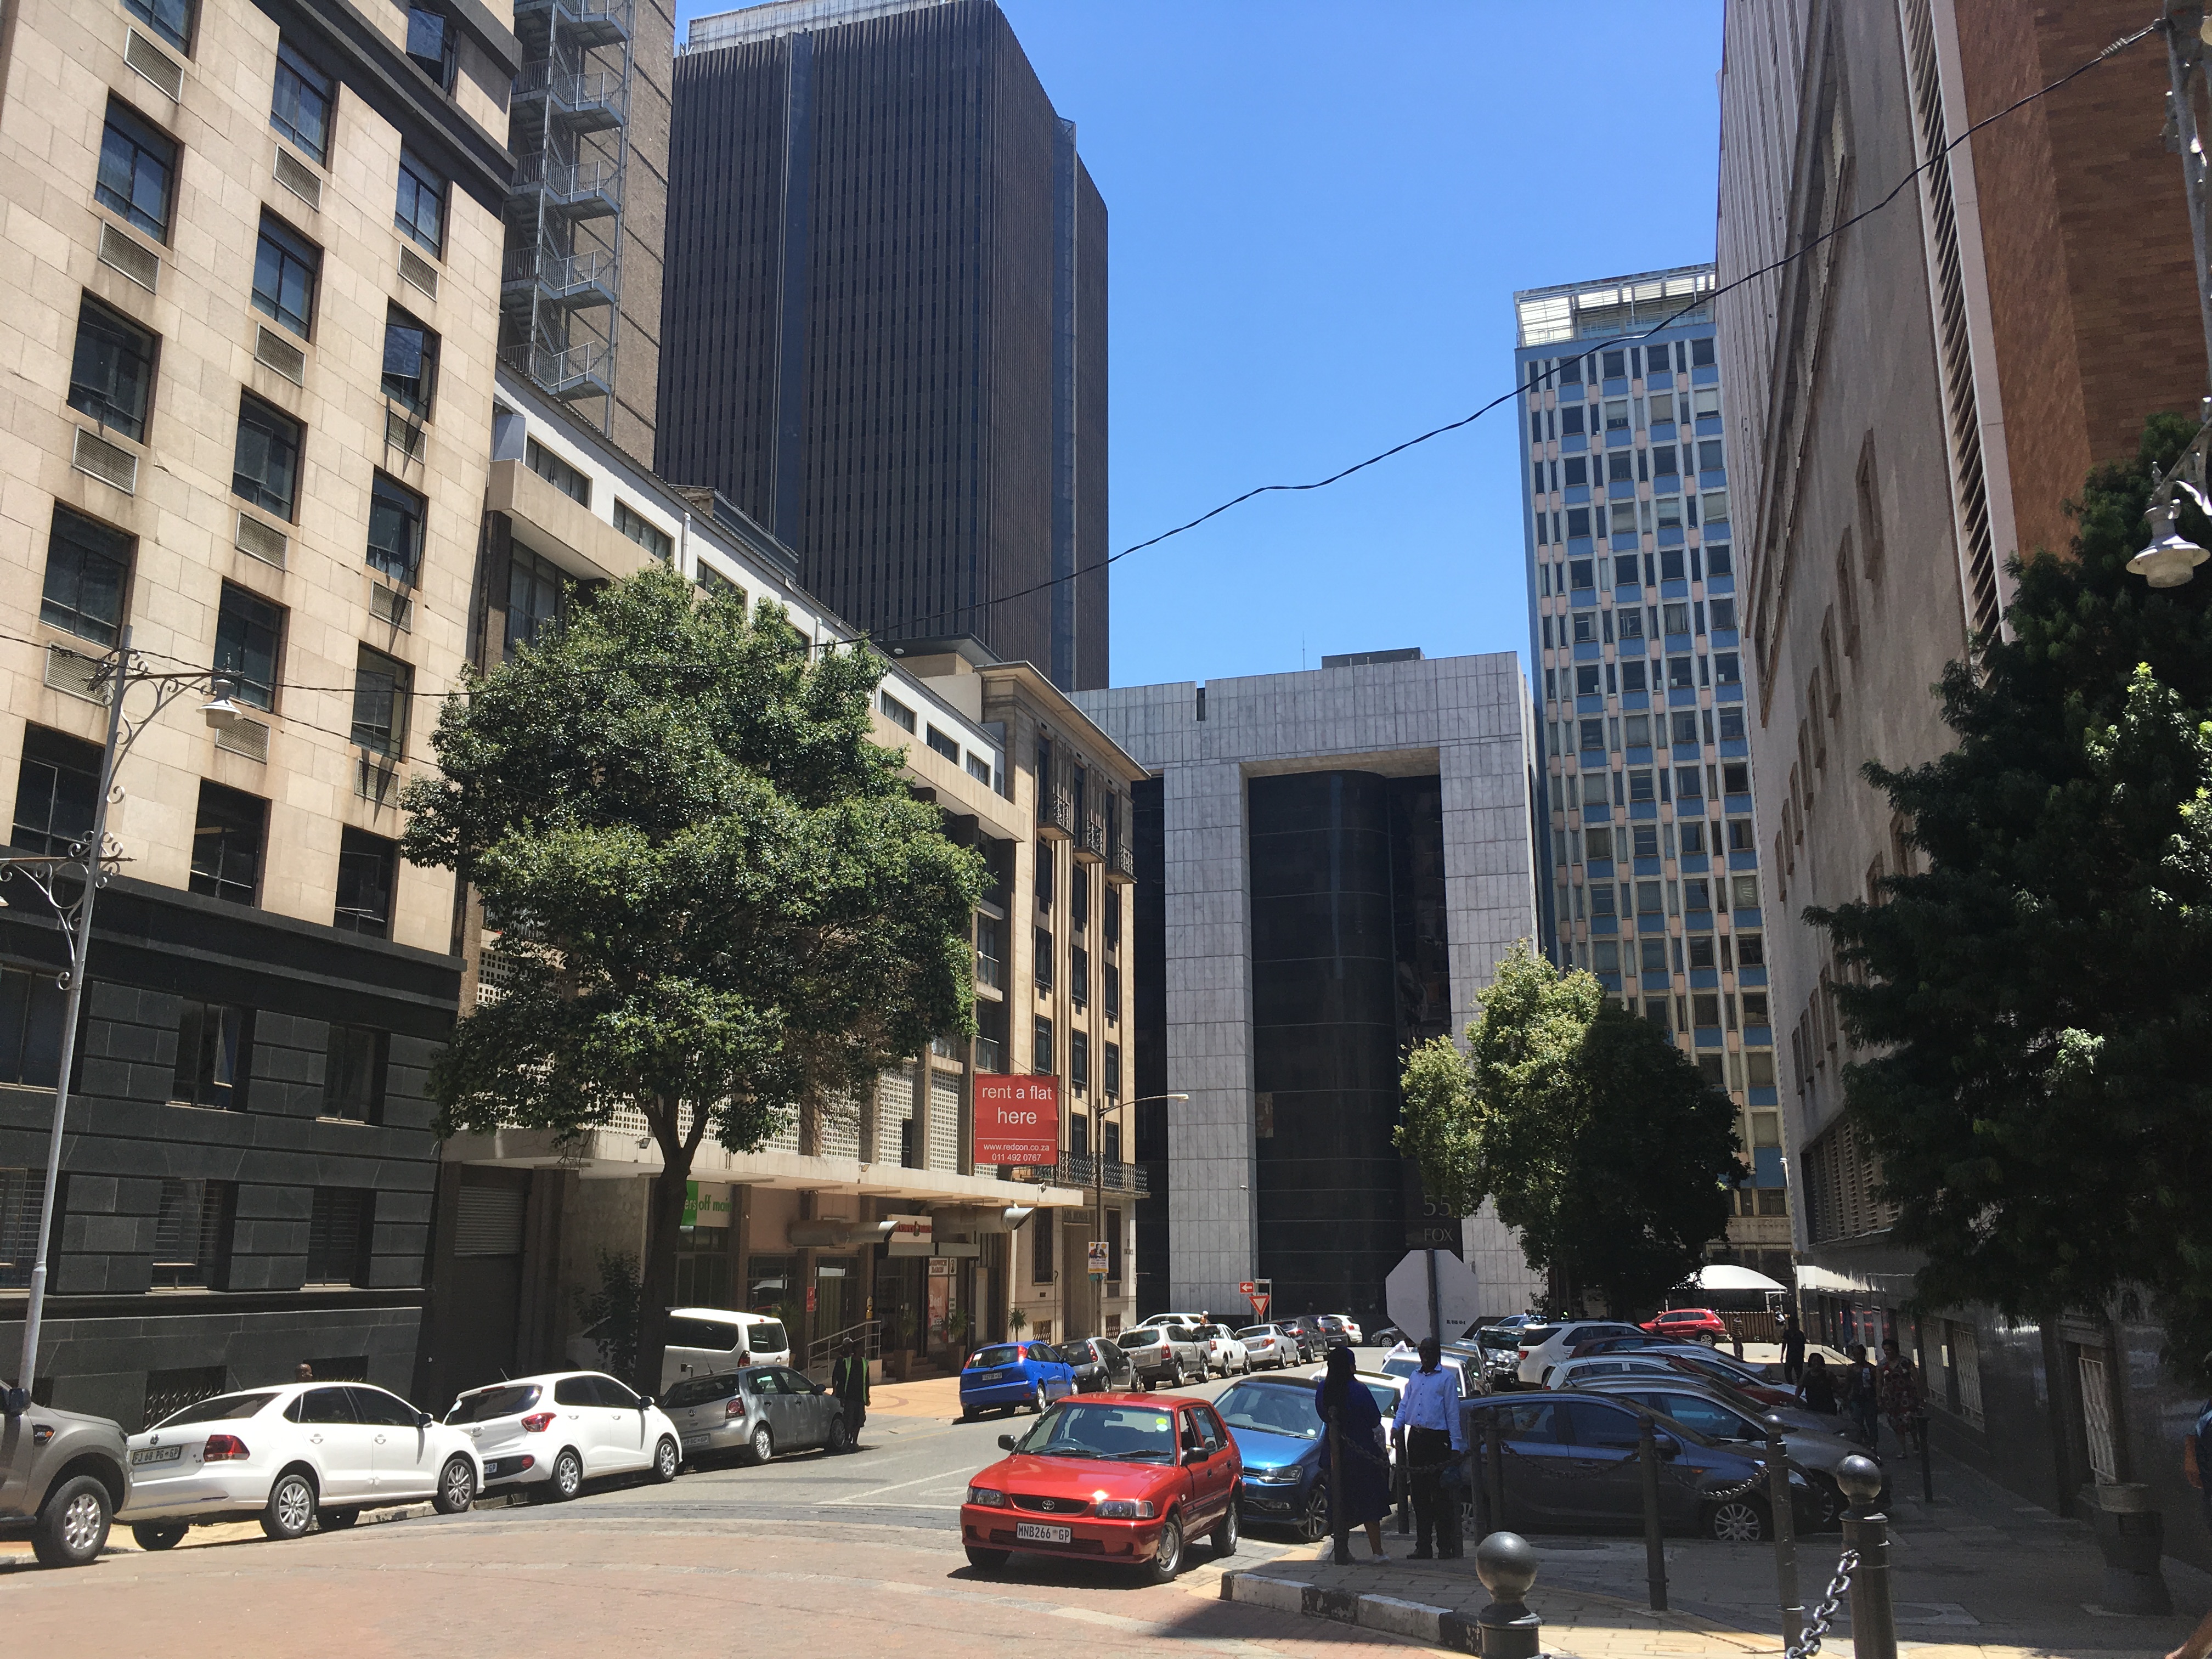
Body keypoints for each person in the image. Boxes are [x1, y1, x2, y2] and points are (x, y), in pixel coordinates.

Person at [1314, 1345, 1391, 1564]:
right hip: (1362, 1454)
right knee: (1369, 1505)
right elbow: (1375, 1419)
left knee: (1340, 1503)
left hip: (1334, 1453)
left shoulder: (1323, 1389)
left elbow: (1323, 1415)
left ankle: (1342, 1549)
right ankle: (1377, 1552)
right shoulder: (1359, 1390)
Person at [1393, 1337, 1466, 1560]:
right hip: (1416, 1439)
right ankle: (1423, 1546)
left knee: (1441, 1496)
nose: (1424, 1354)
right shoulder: (1414, 1377)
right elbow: (1405, 1404)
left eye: (1429, 1350)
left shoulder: (1446, 1379)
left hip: (1438, 1440)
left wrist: (1455, 1446)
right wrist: (1396, 1426)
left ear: (1436, 1353)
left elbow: (1452, 1414)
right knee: (1419, 1496)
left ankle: (1445, 1546)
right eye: (1421, 1350)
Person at [1878, 1337, 1922, 1456]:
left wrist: (1919, 1395)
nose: (1887, 1352)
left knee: (1911, 1422)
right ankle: (1903, 1450)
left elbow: (1916, 1378)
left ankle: (1916, 1443)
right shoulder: (1882, 1365)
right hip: (1891, 1400)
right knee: (1896, 1425)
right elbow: (1879, 1383)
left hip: (1907, 1397)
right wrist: (1879, 1399)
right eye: (1885, 1350)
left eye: (1889, 1349)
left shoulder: (1906, 1362)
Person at [831, 1335, 869, 1449]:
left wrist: (867, 1397)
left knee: (859, 1420)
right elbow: (840, 1379)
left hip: (860, 1397)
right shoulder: (846, 1362)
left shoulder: (865, 1363)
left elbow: (867, 1382)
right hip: (849, 1397)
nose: (864, 1350)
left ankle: (855, 1442)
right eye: (861, 1348)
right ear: (856, 1350)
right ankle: (847, 1441)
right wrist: (840, 1394)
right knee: (849, 1420)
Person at [1843, 1345, 1880, 1447]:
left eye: (1859, 1354)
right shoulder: (1852, 1368)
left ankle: (1873, 1444)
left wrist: (1878, 1399)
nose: (1858, 1357)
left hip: (1869, 1399)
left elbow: (1877, 1384)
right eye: (1856, 1355)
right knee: (1857, 1422)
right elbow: (1848, 1383)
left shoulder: (1871, 1369)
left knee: (1872, 1423)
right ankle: (1863, 1440)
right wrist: (1845, 1397)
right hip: (1856, 1398)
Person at [1796, 1351, 1838, 1415]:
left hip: (1827, 1406)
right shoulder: (1806, 1375)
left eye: (1818, 1361)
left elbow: (1837, 1388)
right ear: (1811, 1362)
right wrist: (1796, 1398)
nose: (1816, 1363)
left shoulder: (1828, 1374)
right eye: (1814, 1361)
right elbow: (1800, 1387)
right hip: (1812, 1406)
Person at [1781, 1314, 1807, 1385]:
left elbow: (1803, 1346)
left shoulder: (1800, 1334)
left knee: (1797, 1372)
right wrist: (1782, 1355)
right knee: (1789, 1371)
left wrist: (1802, 1355)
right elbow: (1784, 1344)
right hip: (1792, 1355)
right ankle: (1792, 1383)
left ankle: (1797, 1384)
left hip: (1795, 1356)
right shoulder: (1792, 1333)